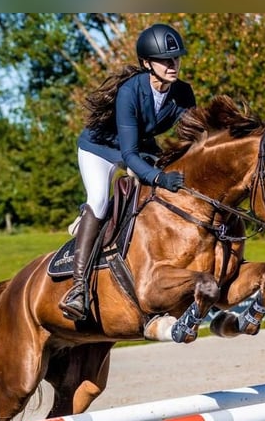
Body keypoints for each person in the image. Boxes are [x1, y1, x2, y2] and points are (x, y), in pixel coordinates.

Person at [59, 23, 197, 321]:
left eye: (176, 58)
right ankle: (78, 288)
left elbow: (197, 138)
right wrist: (159, 177)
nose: (173, 65)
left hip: (136, 146)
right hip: (100, 149)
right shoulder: (129, 92)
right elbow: (129, 156)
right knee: (98, 200)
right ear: (147, 64)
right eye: (165, 60)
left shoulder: (183, 93)